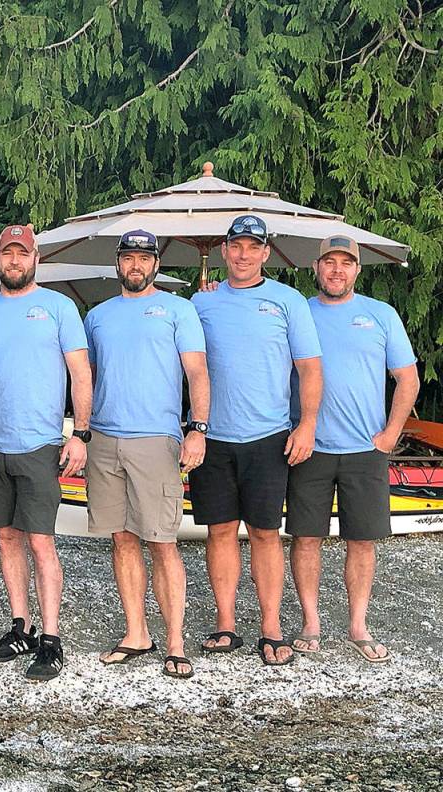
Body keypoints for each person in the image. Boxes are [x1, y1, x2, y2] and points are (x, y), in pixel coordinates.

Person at [190, 215, 323, 666]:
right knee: (220, 531)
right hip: (212, 438)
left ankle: (271, 627)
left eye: (253, 247)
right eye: (236, 246)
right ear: (225, 251)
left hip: (268, 436)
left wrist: (307, 425)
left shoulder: (288, 301)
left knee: (266, 533)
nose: (244, 254)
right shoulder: (200, 303)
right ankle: (226, 624)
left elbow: (309, 368)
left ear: (266, 253)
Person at [83, 230, 210, 679]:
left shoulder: (179, 309)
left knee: (162, 541)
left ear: (156, 264)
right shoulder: (97, 317)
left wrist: (197, 429)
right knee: (121, 538)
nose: (135, 265)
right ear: (117, 263)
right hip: (104, 439)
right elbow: (88, 378)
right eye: (128, 258)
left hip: (156, 438)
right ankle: (137, 632)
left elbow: (197, 372)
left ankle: (175, 642)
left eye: (144, 258)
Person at [286, 236, 418, 662]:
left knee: (362, 540)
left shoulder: (380, 315)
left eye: (346, 263)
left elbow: (408, 379)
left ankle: (358, 624)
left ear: (357, 270)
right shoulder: (298, 311)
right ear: (316, 268)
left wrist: (391, 434)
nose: (337, 270)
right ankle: (311, 622)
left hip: (366, 449)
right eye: (329, 262)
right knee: (306, 538)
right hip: (310, 445)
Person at [0, 224, 92, 682]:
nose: (14, 261)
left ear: (36, 258)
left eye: (22, 254)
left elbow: (80, 374)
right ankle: (21, 625)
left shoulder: (59, 308)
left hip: (41, 443)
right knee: (6, 536)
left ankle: (52, 638)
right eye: (7, 254)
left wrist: (80, 433)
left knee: (41, 540)